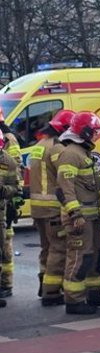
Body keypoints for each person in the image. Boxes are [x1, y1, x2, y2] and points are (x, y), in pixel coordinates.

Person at [56, 111, 100, 314]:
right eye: (94, 132)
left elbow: (90, 184)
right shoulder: (71, 154)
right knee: (80, 258)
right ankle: (74, 301)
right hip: (80, 219)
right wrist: (76, 214)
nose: (95, 136)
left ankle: (95, 295)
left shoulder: (82, 153)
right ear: (83, 132)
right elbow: (65, 188)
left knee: (96, 257)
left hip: (91, 218)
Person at [31, 110, 75, 305]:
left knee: (46, 248)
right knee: (59, 249)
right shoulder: (57, 149)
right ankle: (51, 292)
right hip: (53, 207)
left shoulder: (39, 145)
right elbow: (64, 176)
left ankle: (44, 283)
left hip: (38, 207)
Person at [0, 112, 21, 299]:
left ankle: (6, 283)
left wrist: (10, 195)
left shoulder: (8, 140)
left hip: (5, 205)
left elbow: (16, 169)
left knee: (5, 244)